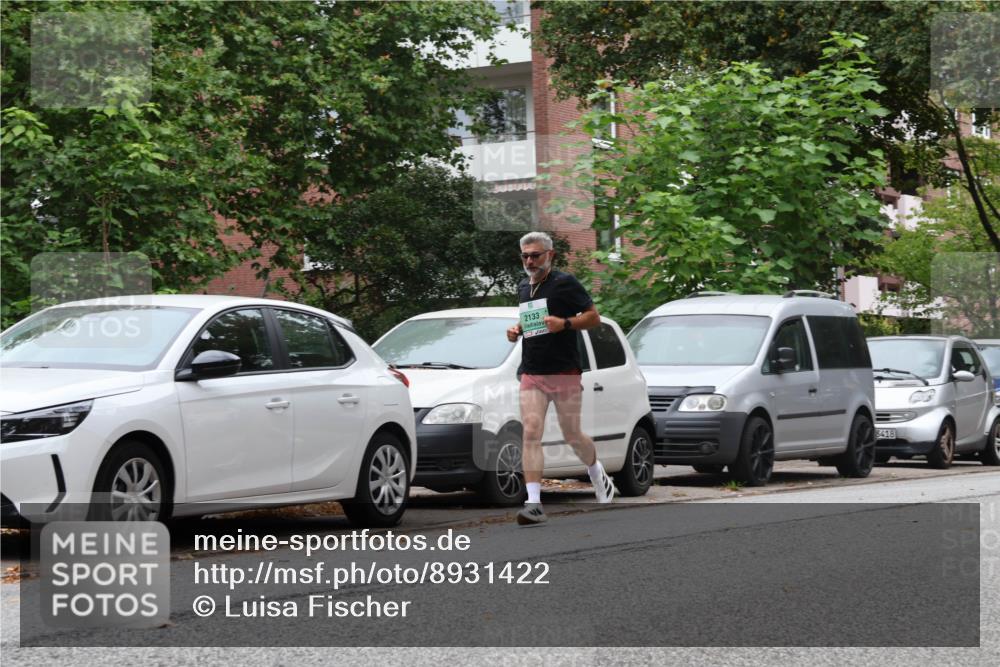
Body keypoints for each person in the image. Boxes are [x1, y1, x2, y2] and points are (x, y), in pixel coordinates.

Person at [505, 231, 615, 526]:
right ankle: (534, 504)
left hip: (565, 371)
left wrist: (565, 323)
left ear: (550, 255)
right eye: (525, 256)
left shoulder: (564, 284)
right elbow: (532, 321)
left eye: (535, 255)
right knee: (530, 432)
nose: (529, 261)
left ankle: (596, 472)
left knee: (572, 436)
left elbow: (593, 317)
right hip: (532, 371)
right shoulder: (523, 287)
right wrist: (516, 330)